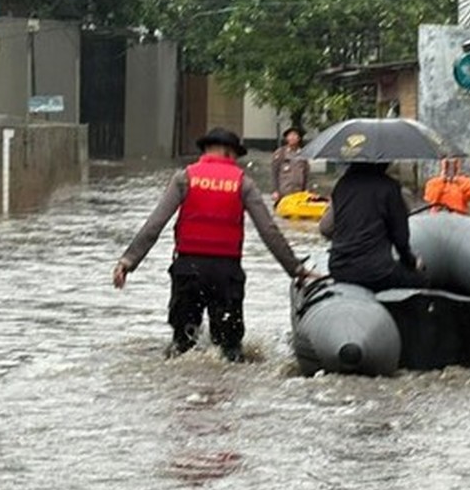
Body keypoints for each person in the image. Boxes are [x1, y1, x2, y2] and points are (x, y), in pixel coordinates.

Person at [112, 127, 317, 362]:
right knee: (229, 351)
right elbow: (269, 232)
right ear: (230, 152)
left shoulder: (185, 178)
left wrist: (127, 262)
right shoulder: (243, 183)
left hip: (188, 271)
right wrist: (296, 270)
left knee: (182, 347)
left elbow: (154, 225)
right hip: (226, 273)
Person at [319, 161, 426, 292]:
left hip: (339, 269)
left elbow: (326, 228)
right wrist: (412, 263)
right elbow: (401, 239)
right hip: (377, 272)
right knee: (421, 279)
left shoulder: (342, 185)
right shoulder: (389, 188)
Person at [270, 126, 310, 204]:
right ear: (286, 138)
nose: (292, 138)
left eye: (295, 135)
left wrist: (306, 191)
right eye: (290, 135)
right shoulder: (281, 153)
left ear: (299, 138)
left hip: (298, 194)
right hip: (284, 194)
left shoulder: (303, 154)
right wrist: (275, 190)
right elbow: (274, 172)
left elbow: (306, 175)